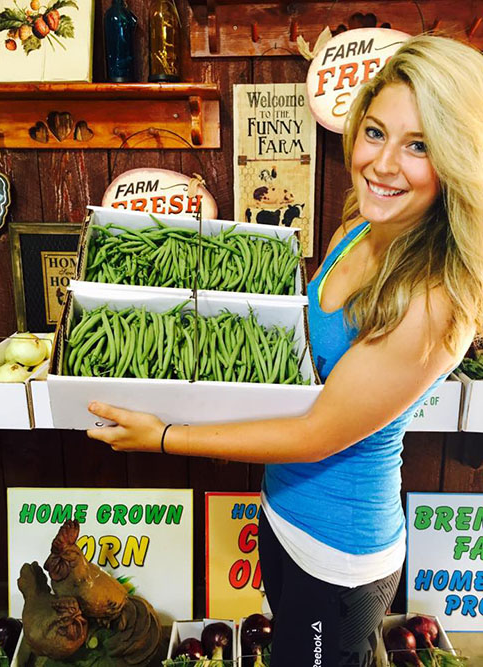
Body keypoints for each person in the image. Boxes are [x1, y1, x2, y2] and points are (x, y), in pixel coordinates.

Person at [86, 34, 483, 666]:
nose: (381, 164)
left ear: (459, 158)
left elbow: (320, 431)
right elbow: (306, 361)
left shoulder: (434, 303)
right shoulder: (360, 228)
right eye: (375, 132)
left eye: (420, 145)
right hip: (283, 515)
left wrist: (165, 436)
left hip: (339, 553)